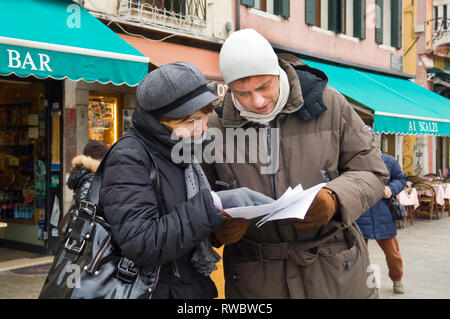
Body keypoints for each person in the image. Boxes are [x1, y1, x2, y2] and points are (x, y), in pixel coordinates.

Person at [204, 29, 390, 298]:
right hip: (255, 280)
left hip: (333, 272)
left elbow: (372, 170)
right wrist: (216, 227)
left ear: (277, 73)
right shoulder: (215, 126)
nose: (257, 102)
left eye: (263, 86)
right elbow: (198, 197)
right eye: (241, 93)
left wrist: (335, 197)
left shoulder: (330, 103)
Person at [98, 62, 273, 299]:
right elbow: (141, 242)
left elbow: (188, 228)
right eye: (191, 121)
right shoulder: (129, 157)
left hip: (188, 288)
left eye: (204, 118)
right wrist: (213, 204)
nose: (202, 129)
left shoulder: (184, 150)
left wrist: (226, 220)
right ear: (161, 120)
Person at [356, 152, 407, 294]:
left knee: (392, 253)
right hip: (361, 212)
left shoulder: (388, 160)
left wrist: (391, 188)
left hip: (384, 212)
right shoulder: (354, 160)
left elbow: (401, 178)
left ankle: (397, 279)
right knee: (359, 254)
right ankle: (361, 284)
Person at [58, 139, 108, 236]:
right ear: (99, 160)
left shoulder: (84, 174)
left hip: (83, 230)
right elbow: (86, 207)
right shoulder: (92, 178)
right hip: (88, 232)